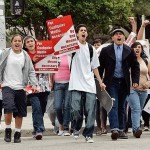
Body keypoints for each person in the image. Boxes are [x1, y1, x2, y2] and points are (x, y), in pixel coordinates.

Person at [98, 28, 140, 140]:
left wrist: (135, 80)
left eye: (120, 34)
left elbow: (135, 66)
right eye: (116, 34)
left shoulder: (129, 50)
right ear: (113, 38)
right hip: (111, 82)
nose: (118, 36)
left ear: (124, 38)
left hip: (124, 82)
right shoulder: (106, 50)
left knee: (122, 106)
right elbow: (100, 67)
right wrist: (99, 82)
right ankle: (114, 129)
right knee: (113, 105)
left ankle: (121, 130)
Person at [69, 24, 106, 143]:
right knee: (75, 109)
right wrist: (61, 22)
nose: (84, 32)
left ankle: (88, 134)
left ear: (87, 34)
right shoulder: (73, 47)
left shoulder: (91, 49)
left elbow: (95, 67)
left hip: (89, 84)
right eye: (81, 30)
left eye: (85, 30)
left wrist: (100, 82)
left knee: (90, 110)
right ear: (77, 34)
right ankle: (77, 126)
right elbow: (62, 41)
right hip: (75, 83)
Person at [0, 34, 38, 143]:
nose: (17, 42)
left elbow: (31, 71)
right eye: (15, 41)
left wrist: (34, 84)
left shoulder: (25, 55)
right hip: (7, 85)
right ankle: (8, 130)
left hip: (20, 87)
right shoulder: (5, 53)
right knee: (8, 107)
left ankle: (17, 133)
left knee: (20, 112)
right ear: (11, 42)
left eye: (19, 41)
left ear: (22, 44)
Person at [23, 35, 50, 140]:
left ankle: (36, 129)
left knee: (41, 108)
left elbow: (54, 60)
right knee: (36, 107)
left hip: (43, 84)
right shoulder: (24, 55)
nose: (30, 43)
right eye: (28, 42)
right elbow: (23, 68)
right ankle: (39, 130)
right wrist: (33, 61)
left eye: (32, 41)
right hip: (31, 85)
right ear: (25, 45)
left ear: (35, 42)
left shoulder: (43, 51)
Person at [127, 42, 150, 138]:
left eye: (139, 47)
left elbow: (148, 75)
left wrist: (148, 83)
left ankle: (134, 127)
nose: (137, 49)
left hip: (144, 90)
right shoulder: (127, 60)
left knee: (139, 110)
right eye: (135, 47)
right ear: (131, 49)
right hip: (132, 89)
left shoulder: (145, 60)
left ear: (141, 50)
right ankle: (136, 129)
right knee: (136, 108)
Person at [50, 55, 71, 136]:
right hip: (58, 84)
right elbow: (51, 70)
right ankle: (61, 124)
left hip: (69, 83)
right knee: (57, 107)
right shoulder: (55, 56)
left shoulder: (70, 55)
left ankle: (66, 128)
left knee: (67, 106)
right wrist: (51, 82)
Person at [93, 38, 108, 135]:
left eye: (98, 45)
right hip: (94, 83)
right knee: (97, 107)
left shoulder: (104, 56)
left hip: (104, 83)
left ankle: (104, 126)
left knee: (104, 106)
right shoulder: (92, 56)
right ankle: (98, 127)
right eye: (95, 45)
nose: (97, 46)